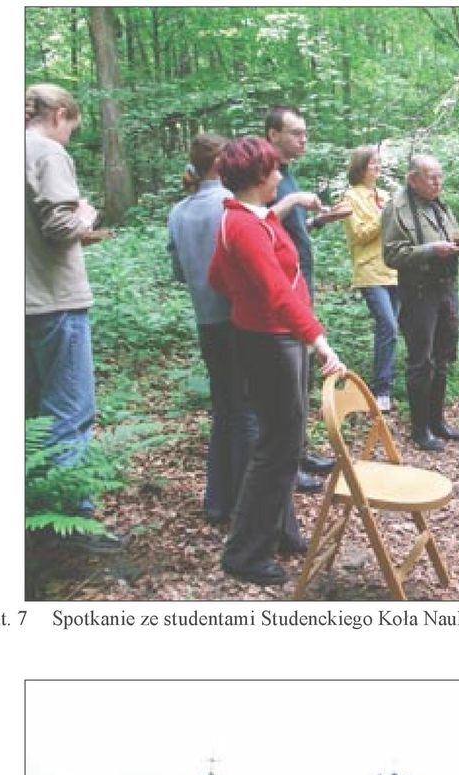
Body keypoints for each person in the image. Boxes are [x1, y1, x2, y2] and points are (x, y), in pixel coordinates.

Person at [207, 137, 345, 588]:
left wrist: (253, 304)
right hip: (271, 342)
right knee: (277, 448)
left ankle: (281, 529)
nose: (281, 177)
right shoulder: (243, 226)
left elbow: (219, 277)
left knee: (286, 442)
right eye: (274, 171)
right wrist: (320, 342)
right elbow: (277, 293)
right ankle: (245, 552)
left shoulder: (250, 217)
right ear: (259, 177)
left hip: (273, 336)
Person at [26, 83, 118, 540]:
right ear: (60, 114)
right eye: (72, 129)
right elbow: (59, 224)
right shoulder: (45, 152)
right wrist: (86, 214)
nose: (69, 140)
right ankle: (72, 523)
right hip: (55, 300)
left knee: (32, 415)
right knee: (70, 412)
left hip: (23, 302)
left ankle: (36, 515)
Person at [166, 134, 258, 525]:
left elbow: (178, 273)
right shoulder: (231, 207)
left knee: (225, 409)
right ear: (221, 163)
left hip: (207, 321)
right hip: (240, 321)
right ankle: (247, 506)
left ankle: (218, 502)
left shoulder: (178, 213)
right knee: (249, 410)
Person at [265, 106, 352, 492]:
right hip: (281, 293)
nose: (304, 139)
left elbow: (293, 232)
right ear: (272, 135)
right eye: (295, 133)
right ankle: (288, 463)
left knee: (299, 377)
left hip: (302, 285)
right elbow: (261, 228)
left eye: (305, 133)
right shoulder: (267, 178)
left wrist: (321, 220)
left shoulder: (289, 176)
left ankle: (300, 452)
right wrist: (295, 199)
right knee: (286, 382)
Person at [381, 153, 459, 451]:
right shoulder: (397, 209)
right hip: (418, 292)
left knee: (443, 358)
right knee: (421, 362)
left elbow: (450, 240)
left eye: (440, 176)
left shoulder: (439, 205)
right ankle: (419, 430)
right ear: (413, 179)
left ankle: (437, 422)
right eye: (431, 177)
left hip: (447, 288)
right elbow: (392, 255)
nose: (438, 182)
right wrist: (431, 250)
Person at [343, 144, 400, 411]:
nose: (377, 167)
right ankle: (381, 390)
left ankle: (384, 384)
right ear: (360, 167)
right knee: (387, 325)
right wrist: (384, 216)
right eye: (372, 163)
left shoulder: (385, 195)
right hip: (369, 271)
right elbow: (359, 235)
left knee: (390, 329)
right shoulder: (349, 198)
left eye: (378, 163)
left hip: (393, 269)